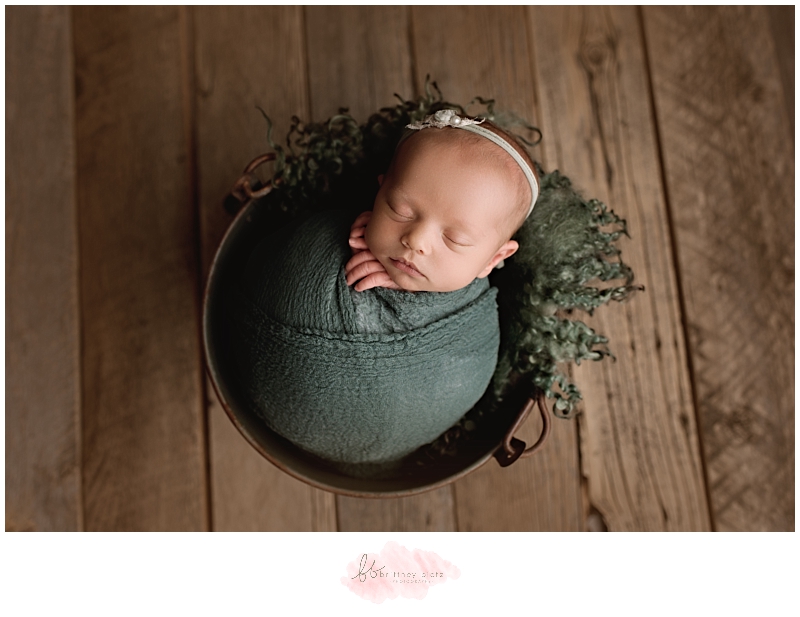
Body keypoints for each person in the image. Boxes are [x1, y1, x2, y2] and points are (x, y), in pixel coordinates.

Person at [344, 109, 540, 293]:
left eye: (455, 239)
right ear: (379, 193)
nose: (416, 241)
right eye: (400, 211)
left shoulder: (474, 305)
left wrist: (405, 298)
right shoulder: (338, 232)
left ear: (493, 259)